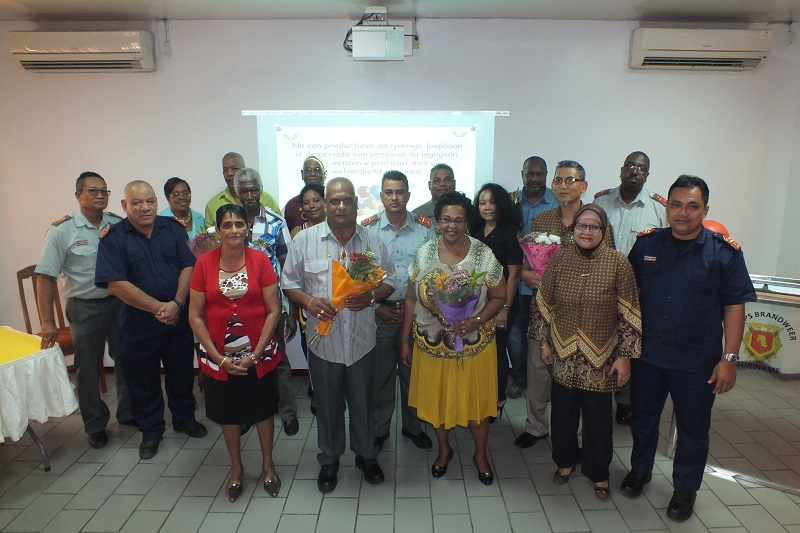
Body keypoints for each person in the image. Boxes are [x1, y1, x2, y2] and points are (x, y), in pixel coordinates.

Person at [622, 175, 756, 522]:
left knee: (693, 430)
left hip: (696, 363)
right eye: (677, 204)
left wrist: (729, 359)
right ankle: (640, 471)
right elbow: (629, 298)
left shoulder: (723, 252)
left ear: (705, 210)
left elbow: (734, 307)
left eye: (693, 206)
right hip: (648, 357)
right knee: (643, 419)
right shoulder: (647, 245)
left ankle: (685, 489)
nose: (683, 213)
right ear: (667, 207)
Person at [282, 177, 397, 494]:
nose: (341, 206)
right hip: (324, 344)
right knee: (328, 405)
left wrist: (371, 296)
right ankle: (329, 459)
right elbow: (289, 283)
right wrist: (309, 302)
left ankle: (366, 455)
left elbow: (390, 280)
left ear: (357, 205)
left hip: (362, 341)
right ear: (324, 204)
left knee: (364, 402)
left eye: (347, 200)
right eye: (334, 201)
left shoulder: (373, 241)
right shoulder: (305, 241)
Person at [531, 203, 641, 500]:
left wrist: (625, 357)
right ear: (574, 230)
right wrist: (543, 343)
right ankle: (565, 462)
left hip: (601, 357)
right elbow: (543, 305)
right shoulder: (559, 259)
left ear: (604, 231)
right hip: (563, 352)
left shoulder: (618, 264)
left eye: (594, 227)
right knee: (563, 415)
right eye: (582, 226)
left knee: (598, 420)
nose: (587, 231)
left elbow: (630, 313)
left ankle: (598, 472)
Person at [96, 180, 207, 460]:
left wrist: (177, 303)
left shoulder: (173, 229)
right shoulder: (113, 238)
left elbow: (189, 265)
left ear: (158, 203)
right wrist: (161, 308)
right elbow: (116, 284)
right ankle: (151, 430)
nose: (144, 207)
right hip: (138, 323)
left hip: (177, 318)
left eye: (150, 201)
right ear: (125, 205)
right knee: (142, 379)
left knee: (181, 372)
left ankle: (184, 419)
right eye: (137, 202)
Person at [402, 191, 506, 485]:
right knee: (439, 403)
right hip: (431, 347)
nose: (452, 225)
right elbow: (410, 298)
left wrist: (475, 320)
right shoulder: (424, 253)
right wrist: (404, 341)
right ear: (437, 222)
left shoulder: (483, 254)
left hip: (474, 347)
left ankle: (480, 455)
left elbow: (499, 296)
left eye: (458, 220)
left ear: (467, 222)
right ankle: (444, 450)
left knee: (476, 406)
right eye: (446, 219)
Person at [516, 160, 614, 449]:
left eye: (570, 180)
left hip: (583, 314)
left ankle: (581, 437)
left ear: (584, 186)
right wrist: (526, 274)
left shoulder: (597, 220)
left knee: (579, 374)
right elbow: (528, 263)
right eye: (558, 180)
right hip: (545, 310)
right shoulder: (542, 220)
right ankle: (536, 426)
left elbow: (607, 266)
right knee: (537, 369)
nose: (562, 186)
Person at [188, 204, 283, 502]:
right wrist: (219, 359)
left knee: (263, 410)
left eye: (239, 224)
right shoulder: (204, 263)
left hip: (258, 354)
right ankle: (236, 467)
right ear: (218, 230)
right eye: (226, 225)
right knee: (228, 413)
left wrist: (255, 355)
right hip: (219, 357)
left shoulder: (260, 260)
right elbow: (195, 315)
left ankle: (268, 465)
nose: (233, 230)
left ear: (247, 228)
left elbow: (274, 310)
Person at [34, 171, 133, 449]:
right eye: (93, 191)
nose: (100, 195)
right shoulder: (61, 230)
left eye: (104, 191)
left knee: (127, 360)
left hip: (119, 304)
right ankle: (95, 425)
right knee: (88, 369)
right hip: (85, 308)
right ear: (78, 195)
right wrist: (47, 321)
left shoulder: (117, 224)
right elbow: (45, 277)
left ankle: (128, 413)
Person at [362, 170, 435, 451]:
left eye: (400, 192)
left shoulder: (425, 229)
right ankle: (380, 429)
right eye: (389, 192)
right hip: (379, 314)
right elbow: (359, 277)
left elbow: (432, 274)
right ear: (381, 196)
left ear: (408, 195)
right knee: (380, 376)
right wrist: (376, 306)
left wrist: (415, 308)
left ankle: (413, 426)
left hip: (415, 314)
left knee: (413, 373)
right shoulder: (367, 229)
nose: (394, 198)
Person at [593, 151, 667, 425]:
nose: (635, 171)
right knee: (602, 340)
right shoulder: (601, 201)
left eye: (641, 168)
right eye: (631, 166)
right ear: (622, 169)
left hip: (638, 290)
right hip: (602, 286)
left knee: (631, 343)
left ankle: (625, 400)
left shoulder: (658, 208)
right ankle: (599, 391)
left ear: (647, 175)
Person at [234, 168, 298, 436]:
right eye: (244, 190)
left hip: (272, 308)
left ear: (261, 190)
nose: (249, 195)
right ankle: (250, 412)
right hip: (238, 308)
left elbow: (288, 269)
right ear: (237, 193)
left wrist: (291, 310)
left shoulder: (276, 222)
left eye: (254, 189)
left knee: (278, 360)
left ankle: (288, 413)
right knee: (243, 361)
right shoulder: (230, 223)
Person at [471, 183, 523, 421]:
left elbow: (514, 274)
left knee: (498, 351)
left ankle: (497, 399)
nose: (487, 207)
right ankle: (480, 396)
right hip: (477, 302)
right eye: (482, 202)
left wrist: (504, 309)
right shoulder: (475, 230)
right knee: (479, 350)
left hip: (502, 302)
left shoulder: (509, 232)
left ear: (501, 204)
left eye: (492, 202)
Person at [507, 156, 557, 402]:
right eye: (530, 173)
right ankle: (520, 378)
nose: (534, 178)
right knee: (516, 333)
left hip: (547, 285)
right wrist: (521, 272)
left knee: (546, 335)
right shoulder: (510, 202)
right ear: (522, 174)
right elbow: (505, 239)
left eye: (540, 174)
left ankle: (546, 381)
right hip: (517, 282)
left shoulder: (557, 202)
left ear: (546, 175)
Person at [289, 182, 326, 410]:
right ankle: (317, 390)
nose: (312, 205)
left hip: (337, 301)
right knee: (311, 348)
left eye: (316, 200)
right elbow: (293, 275)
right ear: (301, 208)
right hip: (308, 303)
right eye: (306, 202)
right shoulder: (298, 233)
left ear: (325, 202)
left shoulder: (338, 229)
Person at [204, 152, 280, 228]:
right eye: (225, 170)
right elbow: (209, 234)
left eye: (234, 168)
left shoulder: (268, 200)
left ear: (244, 170)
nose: (229, 173)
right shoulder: (213, 205)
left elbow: (279, 226)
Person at [284, 156, 327, 233]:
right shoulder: (292, 205)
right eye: (308, 170)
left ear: (325, 174)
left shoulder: (335, 201)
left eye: (317, 170)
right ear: (302, 174)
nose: (312, 174)